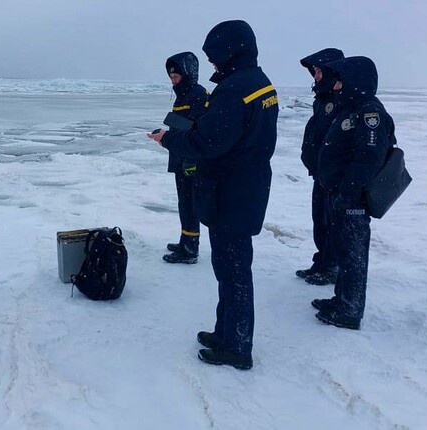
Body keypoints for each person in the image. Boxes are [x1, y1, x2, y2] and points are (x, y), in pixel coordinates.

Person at [148, 20, 278, 370]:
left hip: (231, 192)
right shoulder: (259, 84)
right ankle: (225, 333)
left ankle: (236, 346)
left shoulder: (235, 90)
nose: (213, 65)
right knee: (229, 269)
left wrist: (168, 139)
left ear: (230, 51)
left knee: (234, 271)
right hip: (244, 186)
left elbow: (208, 141)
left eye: (216, 56)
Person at [312, 56, 395, 330]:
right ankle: (341, 299)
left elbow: (369, 156)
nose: (336, 87)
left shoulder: (370, 113)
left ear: (355, 82)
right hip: (341, 194)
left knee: (353, 255)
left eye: (341, 81)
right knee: (344, 250)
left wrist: (348, 189)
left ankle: (349, 310)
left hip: (354, 198)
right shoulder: (353, 108)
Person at [296, 48, 345, 285]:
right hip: (320, 172)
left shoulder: (342, 98)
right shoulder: (323, 99)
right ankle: (322, 261)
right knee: (320, 219)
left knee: (331, 221)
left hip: (334, 175)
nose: (314, 76)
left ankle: (332, 265)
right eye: (313, 72)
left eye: (317, 71)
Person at [162, 52, 210, 265]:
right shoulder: (183, 95)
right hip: (180, 156)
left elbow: (197, 127)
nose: (173, 80)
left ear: (188, 74)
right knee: (184, 202)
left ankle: (190, 249)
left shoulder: (199, 95)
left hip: (191, 159)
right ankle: (185, 240)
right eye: (171, 76)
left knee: (190, 203)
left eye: (176, 76)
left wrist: (171, 133)